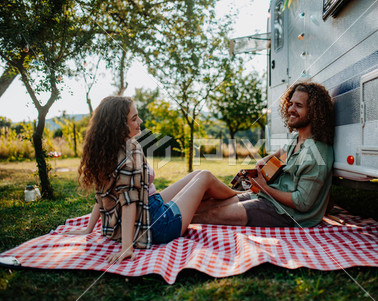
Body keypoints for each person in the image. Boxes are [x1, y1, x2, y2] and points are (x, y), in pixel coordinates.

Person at [65, 96, 239, 264]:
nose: (140, 121)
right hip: (159, 226)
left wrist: (88, 229)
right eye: (134, 119)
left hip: (149, 207)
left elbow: (103, 194)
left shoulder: (109, 151)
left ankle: (238, 194)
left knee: (198, 174)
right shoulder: (130, 154)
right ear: (119, 125)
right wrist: (127, 247)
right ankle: (240, 194)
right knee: (205, 176)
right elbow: (128, 202)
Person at [192, 81, 335, 228]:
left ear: (314, 112)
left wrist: (263, 187)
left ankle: (170, 224)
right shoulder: (297, 138)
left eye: (298, 105)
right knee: (211, 204)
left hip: (286, 213)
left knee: (213, 215)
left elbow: (302, 203)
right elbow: (282, 152)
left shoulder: (318, 152)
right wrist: (265, 160)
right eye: (291, 104)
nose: (291, 109)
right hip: (268, 197)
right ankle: (170, 213)